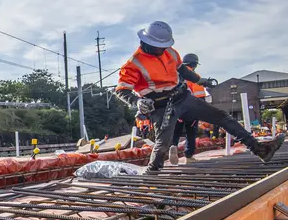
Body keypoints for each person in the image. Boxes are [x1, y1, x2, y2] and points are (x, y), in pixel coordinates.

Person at [114, 21, 283, 171]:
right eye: (160, 46)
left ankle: (259, 149)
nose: (163, 49)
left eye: (165, 45)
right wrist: (137, 102)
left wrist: (200, 80)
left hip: (182, 97)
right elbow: (122, 90)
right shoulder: (133, 64)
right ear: (147, 42)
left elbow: (182, 70)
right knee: (163, 144)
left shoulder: (170, 52)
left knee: (222, 117)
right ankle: (153, 172)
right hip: (161, 107)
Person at [168, 53, 207, 164]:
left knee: (176, 130)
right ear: (194, 64)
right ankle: (189, 156)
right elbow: (200, 96)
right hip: (190, 109)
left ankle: (173, 146)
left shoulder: (176, 76)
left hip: (177, 109)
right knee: (191, 132)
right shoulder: (194, 77)